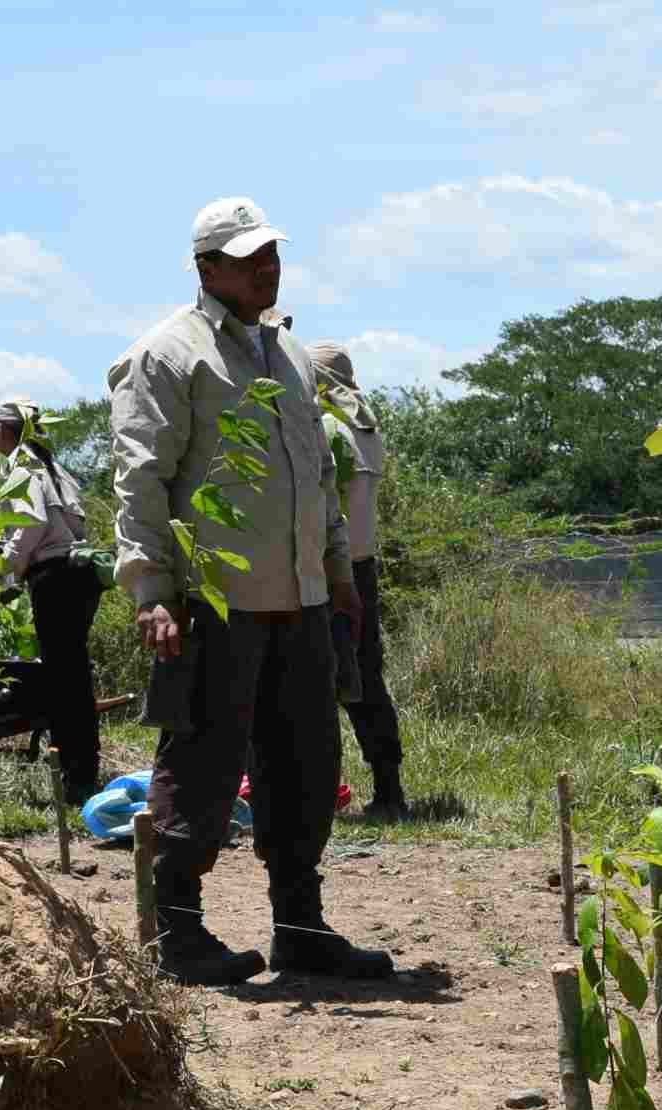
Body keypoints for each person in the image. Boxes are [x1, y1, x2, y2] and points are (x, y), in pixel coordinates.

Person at [108, 196, 392, 985]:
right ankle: (176, 932)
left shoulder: (290, 357)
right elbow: (140, 480)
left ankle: (299, 926)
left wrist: (337, 573)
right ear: (206, 268)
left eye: (271, 253)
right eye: (247, 257)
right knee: (199, 762)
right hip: (212, 600)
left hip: (299, 599)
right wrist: (151, 591)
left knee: (304, 762)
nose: (266, 267)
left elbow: (320, 476)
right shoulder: (168, 355)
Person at [305, 340, 410, 820]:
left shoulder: (326, 425)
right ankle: (389, 787)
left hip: (331, 569)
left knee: (317, 685)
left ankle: (320, 792)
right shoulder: (364, 423)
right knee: (366, 680)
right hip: (363, 568)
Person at [0, 397, 105, 804]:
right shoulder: (57, 468)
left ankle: (76, 779)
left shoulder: (22, 469)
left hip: (54, 576)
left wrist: (6, 572)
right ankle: (84, 770)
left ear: (4, 431)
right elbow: (74, 524)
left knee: (63, 679)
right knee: (74, 677)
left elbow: (31, 524)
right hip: (81, 573)